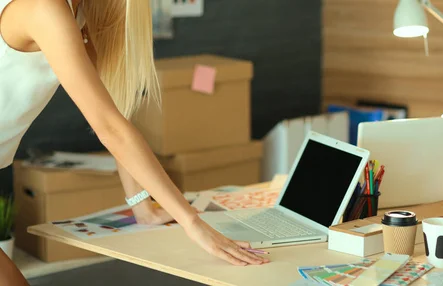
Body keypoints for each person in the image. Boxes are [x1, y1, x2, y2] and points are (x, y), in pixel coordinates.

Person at [0, 0, 268, 283]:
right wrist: (192, 223)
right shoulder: (44, 9)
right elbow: (110, 128)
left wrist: (142, 205)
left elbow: (113, 117)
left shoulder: (74, 16)